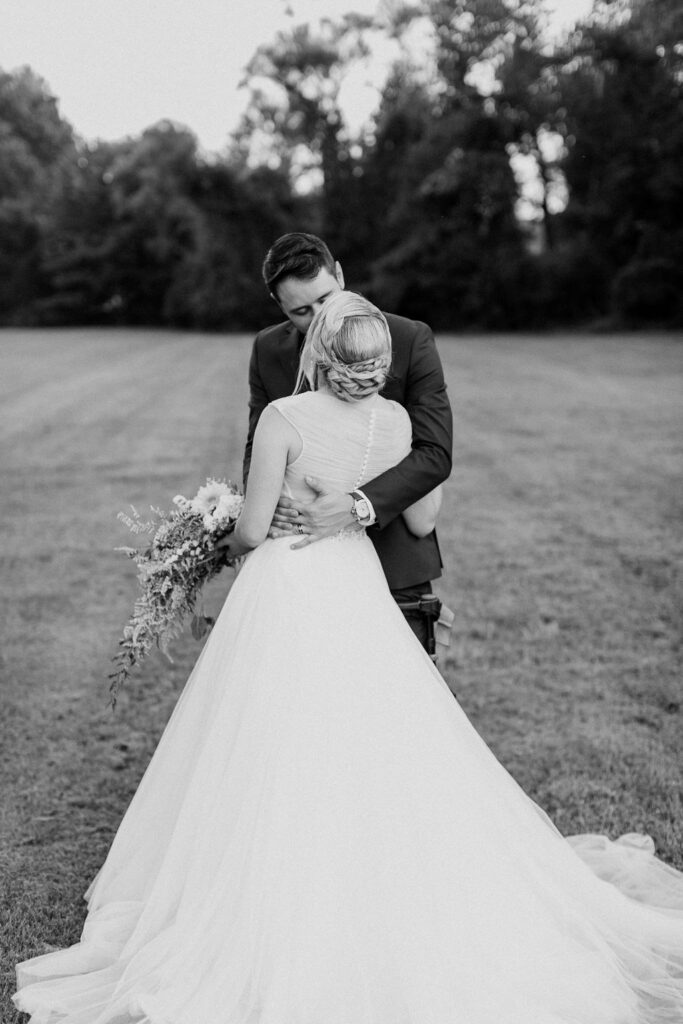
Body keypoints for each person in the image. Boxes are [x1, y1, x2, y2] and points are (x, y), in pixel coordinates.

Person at [14, 293, 683, 1023]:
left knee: (274, 737)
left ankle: (278, 884)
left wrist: (214, 525)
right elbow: (422, 513)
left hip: (291, 588)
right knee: (371, 733)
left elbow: (249, 533)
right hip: (360, 590)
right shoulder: (397, 422)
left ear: (316, 355)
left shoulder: (284, 418)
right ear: (380, 363)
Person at [244, 231, 452, 652]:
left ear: (340, 275)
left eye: (324, 299)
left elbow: (435, 454)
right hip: (300, 569)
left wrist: (357, 505)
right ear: (279, 306)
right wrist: (266, 511)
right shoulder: (268, 348)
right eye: (302, 311)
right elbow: (255, 446)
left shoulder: (409, 338)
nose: (319, 317)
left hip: (395, 568)